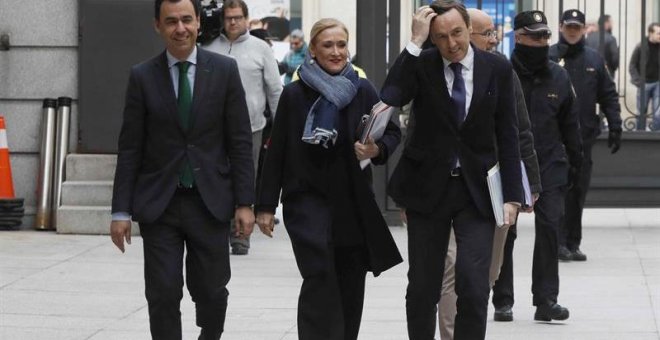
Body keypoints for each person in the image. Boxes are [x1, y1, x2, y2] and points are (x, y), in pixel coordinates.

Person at [109, 0, 255, 339]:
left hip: (210, 202)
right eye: (171, 21)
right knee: (162, 291)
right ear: (157, 26)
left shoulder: (224, 71)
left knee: (212, 290)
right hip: (160, 203)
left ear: (199, 23)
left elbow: (239, 142)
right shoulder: (142, 76)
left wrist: (245, 202)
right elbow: (130, 147)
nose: (180, 28)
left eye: (187, 20)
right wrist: (120, 210)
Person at [381, 1, 523, 338]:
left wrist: (513, 197)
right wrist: (414, 44)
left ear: (469, 30)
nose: (452, 43)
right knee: (422, 288)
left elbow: (508, 132)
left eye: (457, 33)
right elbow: (391, 94)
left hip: (476, 192)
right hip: (427, 189)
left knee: (474, 287)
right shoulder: (422, 64)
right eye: (441, 37)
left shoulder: (496, 68)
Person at [255, 18, 403, 340]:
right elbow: (276, 151)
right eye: (327, 45)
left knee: (351, 284)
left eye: (341, 45)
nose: (336, 52)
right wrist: (265, 205)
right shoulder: (295, 95)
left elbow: (393, 132)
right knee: (319, 277)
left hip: (352, 203)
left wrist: (375, 149)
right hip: (307, 201)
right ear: (312, 50)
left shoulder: (362, 88)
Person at [435, 8, 543, 338]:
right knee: (451, 269)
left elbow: (519, 131)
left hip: (492, 186)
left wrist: (530, 185)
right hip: (446, 189)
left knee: (485, 273)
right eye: (487, 33)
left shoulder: (500, 71)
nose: (494, 39)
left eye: (494, 33)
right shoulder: (433, 70)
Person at [511, 10, 583, 322]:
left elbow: (571, 125)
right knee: (505, 232)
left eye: (544, 36)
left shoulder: (559, 75)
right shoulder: (502, 72)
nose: (540, 42)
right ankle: (502, 300)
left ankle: (546, 300)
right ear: (518, 37)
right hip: (511, 164)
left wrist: (575, 163)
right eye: (534, 35)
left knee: (550, 228)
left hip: (550, 163)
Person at [203, 0, 283, 255]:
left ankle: (240, 233)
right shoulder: (208, 47)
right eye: (228, 18)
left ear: (247, 19)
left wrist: (281, 128)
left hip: (251, 127)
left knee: (245, 178)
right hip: (211, 128)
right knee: (214, 177)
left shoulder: (261, 49)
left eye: (237, 17)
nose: (233, 22)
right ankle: (216, 227)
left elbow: (274, 90)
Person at [550, 9, 622, 262]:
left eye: (576, 27)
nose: (572, 31)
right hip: (553, 139)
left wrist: (615, 125)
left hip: (582, 138)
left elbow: (608, 95)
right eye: (568, 26)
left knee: (577, 191)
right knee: (557, 191)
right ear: (561, 27)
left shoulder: (593, 59)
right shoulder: (548, 57)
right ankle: (558, 243)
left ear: (583, 29)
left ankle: (573, 242)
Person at [629, 22, 660, 131]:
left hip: (658, 83)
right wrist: (638, 81)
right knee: (641, 112)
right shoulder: (641, 46)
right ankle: (639, 135)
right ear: (650, 33)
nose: (659, 36)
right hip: (644, 83)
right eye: (658, 33)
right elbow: (632, 65)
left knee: (658, 113)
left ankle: (657, 136)